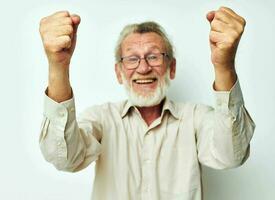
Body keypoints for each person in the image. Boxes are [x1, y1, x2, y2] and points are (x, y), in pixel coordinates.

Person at [39, 6, 255, 200]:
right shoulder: (101, 119)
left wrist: (224, 64)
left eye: (154, 57)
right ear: (119, 72)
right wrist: (58, 66)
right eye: (132, 59)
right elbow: (64, 158)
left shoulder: (195, 117)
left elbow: (230, 156)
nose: (143, 68)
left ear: (171, 67)